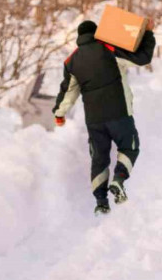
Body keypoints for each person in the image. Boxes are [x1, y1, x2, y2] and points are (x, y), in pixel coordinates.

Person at [52, 20, 156, 215]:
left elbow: (68, 91)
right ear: (97, 33)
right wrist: (148, 34)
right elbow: (142, 58)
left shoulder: (71, 61)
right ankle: (119, 179)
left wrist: (59, 113)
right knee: (129, 146)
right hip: (119, 112)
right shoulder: (109, 48)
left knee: (99, 158)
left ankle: (101, 202)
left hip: (94, 119)